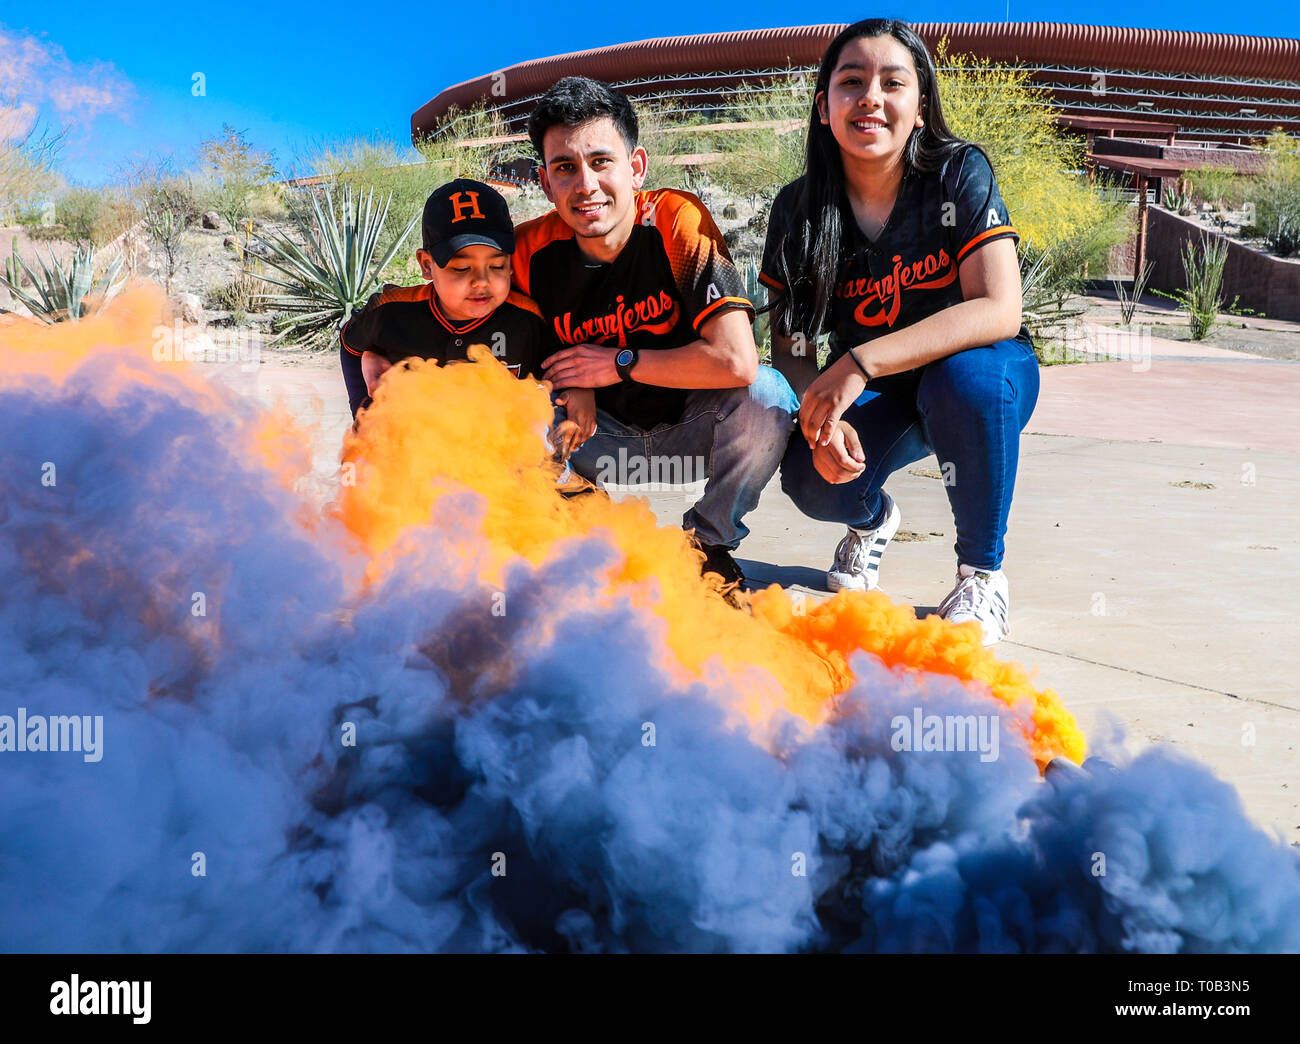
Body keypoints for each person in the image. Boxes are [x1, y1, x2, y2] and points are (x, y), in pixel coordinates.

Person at [761, 18, 1040, 645]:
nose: (871, 98)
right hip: (883, 392)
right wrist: (821, 409)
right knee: (810, 477)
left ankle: (982, 577)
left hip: (981, 373)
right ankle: (872, 521)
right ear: (823, 106)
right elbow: (793, 348)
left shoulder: (956, 172)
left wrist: (857, 364)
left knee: (965, 380)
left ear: (919, 109)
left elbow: (999, 309)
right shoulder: (797, 208)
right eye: (851, 81)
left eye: (893, 83)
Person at [512, 76, 798, 586]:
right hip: (596, 439)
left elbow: (737, 360)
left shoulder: (676, 221)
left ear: (636, 167)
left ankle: (708, 545)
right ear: (544, 182)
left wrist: (616, 362)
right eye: (564, 167)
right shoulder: (527, 250)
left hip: (691, 432)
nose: (585, 185)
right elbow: (449, 308)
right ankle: (585, 523)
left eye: (601, 161)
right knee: (509, 413)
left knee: (767, 396)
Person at [339, 178, 595, 456]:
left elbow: (558, 367)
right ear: (427, 265)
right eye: (462, 268)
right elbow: (351, 346)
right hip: (412, 451)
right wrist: (361, 407)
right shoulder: (390, 310)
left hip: (492, 452)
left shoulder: (527, 319)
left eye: (497, 265)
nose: (481, 281)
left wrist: (581, 390)